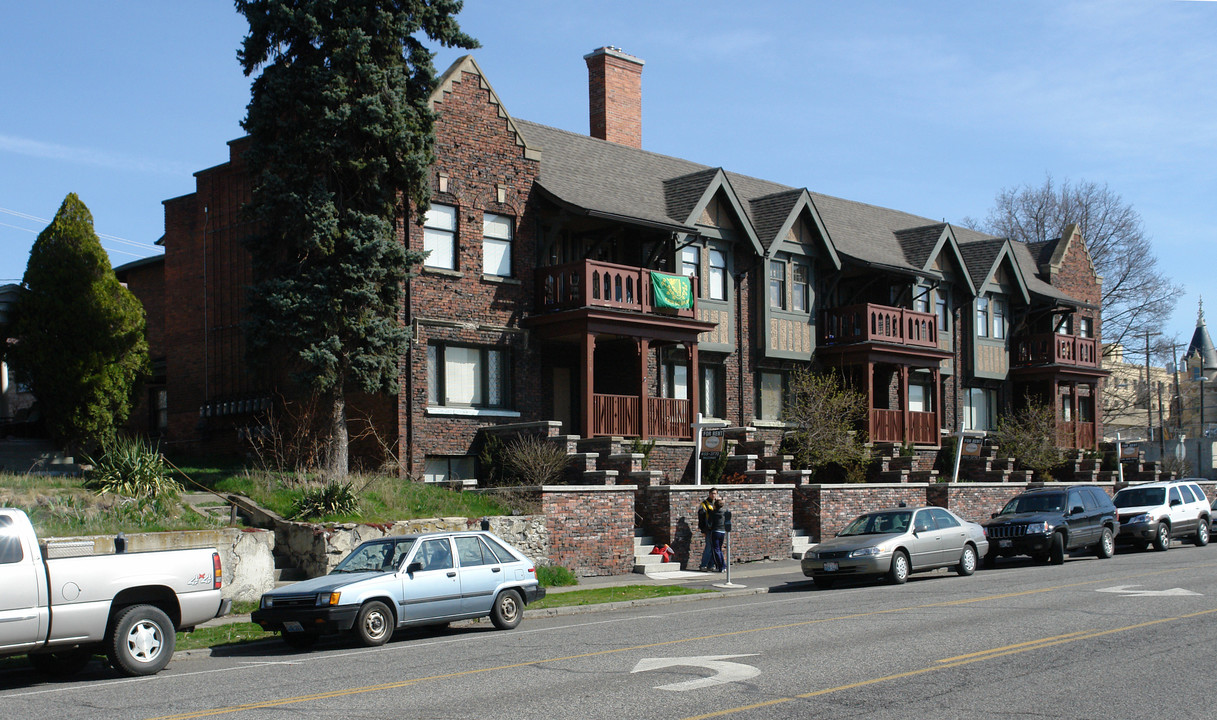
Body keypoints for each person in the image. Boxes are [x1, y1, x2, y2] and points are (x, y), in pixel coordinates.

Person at [696, 488, 718, 571]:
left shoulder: (717, 504)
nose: (713, 495)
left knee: (714, 547)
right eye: (712, 493)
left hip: (716, 529)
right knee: (708, 547)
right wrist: (703, 530)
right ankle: (703, 565)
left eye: (715, 493)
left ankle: (711, 565)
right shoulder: (704, 504)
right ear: (709, 494)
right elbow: (701, 518)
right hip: (708, 529)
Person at [709, 497, 727, 572]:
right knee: (719, 549)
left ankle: (720, 567)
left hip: (715, 531)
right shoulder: (724, 512)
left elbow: (710, 522)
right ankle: (723, 566)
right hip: (722, 531)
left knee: (716, 550)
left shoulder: (713, 513)